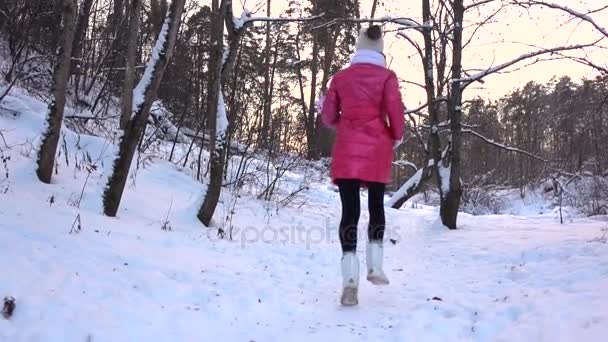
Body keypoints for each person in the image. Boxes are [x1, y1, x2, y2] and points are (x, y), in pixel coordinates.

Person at [321, 25, 405, 306]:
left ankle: (349, 281)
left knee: (350, 211)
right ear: (380, 49)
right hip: (378, 149)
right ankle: (375, 267)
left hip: (347, 149)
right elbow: (395, 113)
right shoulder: (387, 77)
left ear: (357, 49)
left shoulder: (341, 78)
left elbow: (329, 117)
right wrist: (395, 138)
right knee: (377, 206)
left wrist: (340, 119)